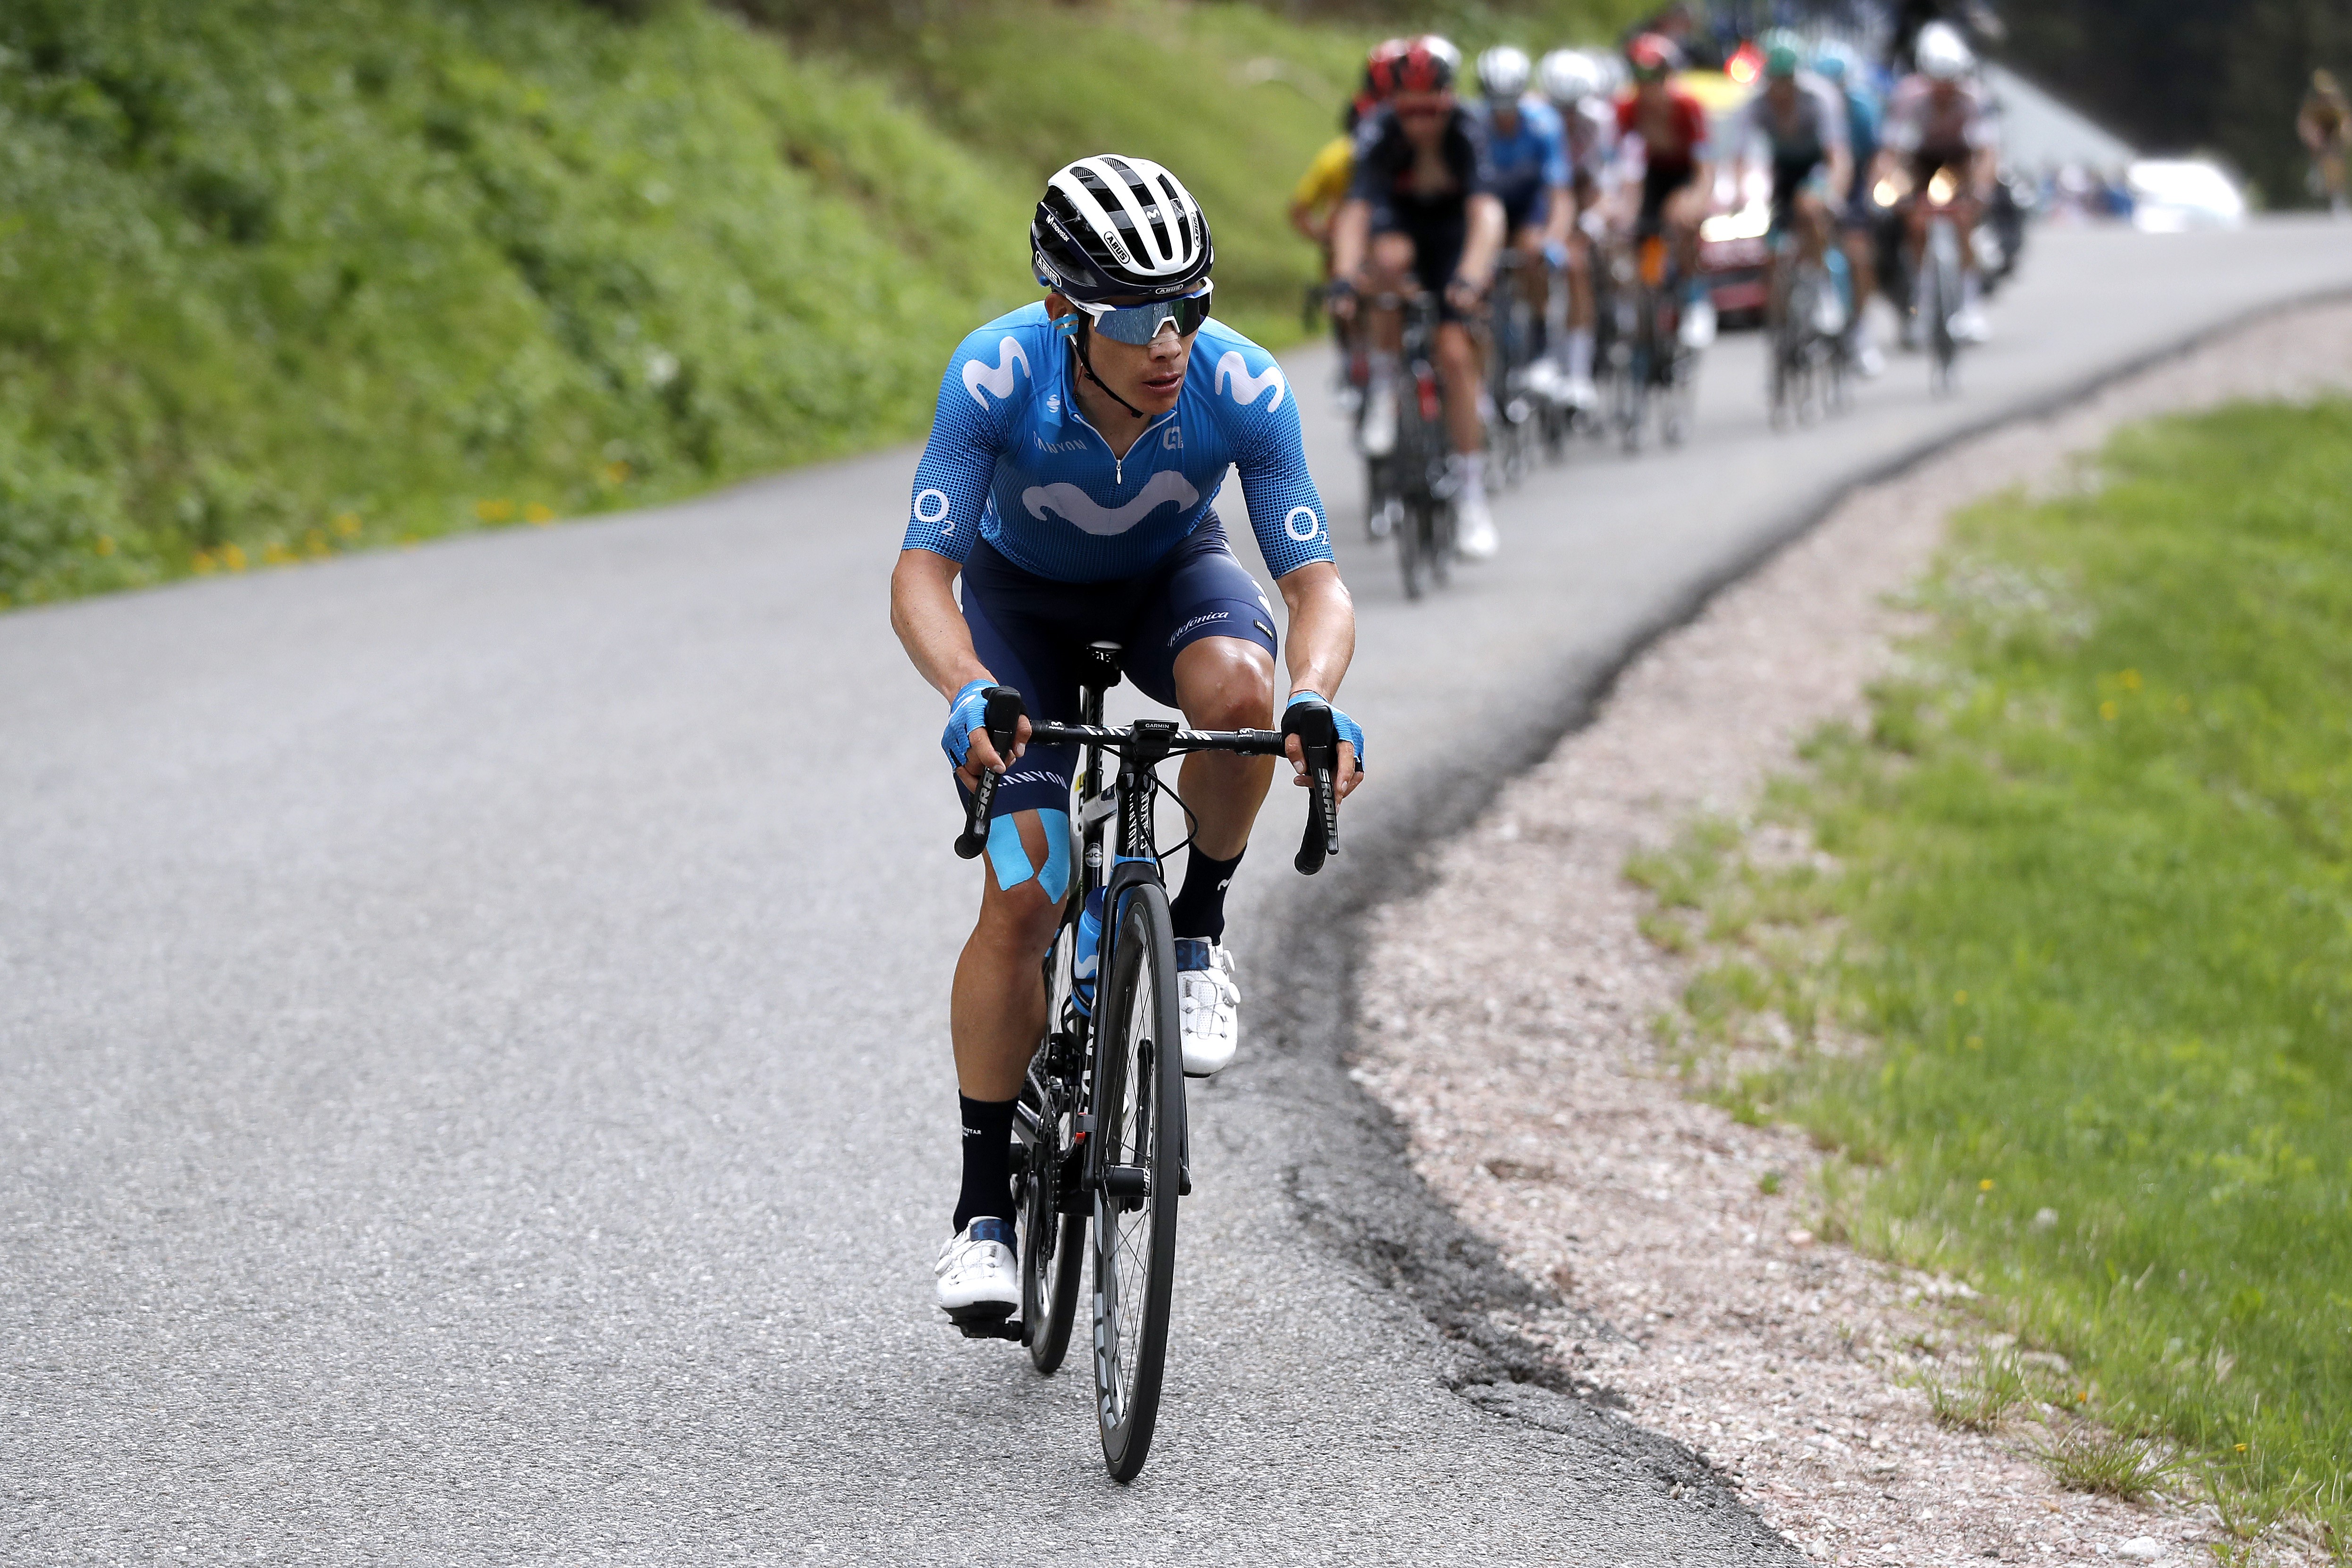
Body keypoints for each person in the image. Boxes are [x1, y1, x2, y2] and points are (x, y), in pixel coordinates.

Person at [895, 155, 1366, 1325]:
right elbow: (923, 572)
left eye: (1192, 309)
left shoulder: (1241, 385)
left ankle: (1197, 928)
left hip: (1170, 583)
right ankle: (983, 1213)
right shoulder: (997, 371)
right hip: (1024, 612)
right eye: (1142, 319)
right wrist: (965, 688)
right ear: (1066, 310)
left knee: (1244, 694)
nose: (1172, 345)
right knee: (1027, 890)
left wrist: (1314, 693)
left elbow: (1316, 581)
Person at [1330, 36, 1508, 561]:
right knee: (1386, 262)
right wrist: (1343, 275)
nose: (1421, 124)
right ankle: (1385, 385)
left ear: (1449, 100)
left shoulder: (1467, 129)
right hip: (1401, 227)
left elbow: (1487, 214)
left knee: (1454, 355)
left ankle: (1473, 497)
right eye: (1410, 111)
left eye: (1432, 110)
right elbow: (1355, 210)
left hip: (1452, 235)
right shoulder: (1379, 130)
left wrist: (1473, 274)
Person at [1876, 20, 1998, 344]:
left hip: (1958, 161)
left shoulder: (1973, 97)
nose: (1945, 90)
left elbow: (1986, 152)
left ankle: (1971, 307)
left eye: (1952, 82)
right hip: (1922, 161)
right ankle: (1922, 304)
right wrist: (1889, 186)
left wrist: (1982, 189)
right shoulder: (1908, 96)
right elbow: (1892, 152)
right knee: (1916, 225)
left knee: (1962, 221)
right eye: (1938, 82)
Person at [1469, 45, 1574, 402]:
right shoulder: (1473, 127)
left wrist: (1555, 239)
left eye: (1508, 100)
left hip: (1530, 205)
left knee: (1533, 251)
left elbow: (1559, 193)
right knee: (1476, 279)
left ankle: (1542, 347)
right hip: (1489, 207)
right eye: (1493, 100)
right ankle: (1482, 378)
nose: (1501, 110)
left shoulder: (1544, 124)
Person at [1730, 33, 1852, 338]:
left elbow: (1837, 156)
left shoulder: (1819, 97)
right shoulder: (1755, 104)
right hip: (1783, 171)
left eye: (1788, 80)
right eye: (1775, 80)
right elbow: (1740, 158)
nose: (1782, 89)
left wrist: (1833, 194)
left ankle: (1824, 289)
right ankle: (1780, 322)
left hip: (1816, 166)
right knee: (1771, 250)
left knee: (1809, 209)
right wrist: (1740, 197)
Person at [1614, 32, 1717, 350]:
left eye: (1655, 77)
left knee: (1680, 218)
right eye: (1640, 77)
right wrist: (1620, 207)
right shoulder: (1627, 109)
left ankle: (1695, 298)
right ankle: (1642, 299)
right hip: (1652, 174)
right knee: (1633, 233)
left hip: (1685, 173)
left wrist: (1698, 201)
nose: (1649, 87)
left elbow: (1705, 166)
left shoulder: (1688, 106)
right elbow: (1624, 163)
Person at [1538, 47, 1616, 409]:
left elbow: (1606, 185)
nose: (1566, 117)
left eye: (1574, 108)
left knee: (1578, 264)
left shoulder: (1600, 122)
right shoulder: (1535, 118)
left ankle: (1580, 372)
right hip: (1544, 197)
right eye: (1559, 107)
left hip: (1584, 192)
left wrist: (1593, 221)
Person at [1811, 37, 1887, 377]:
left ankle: (1859, 329)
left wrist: (1873, 195)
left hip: (1855, 179)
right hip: (1817, 176)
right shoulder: (1809, 107)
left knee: (1859, 253)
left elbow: (1878, 157)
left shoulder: (1863, 108)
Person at [2300, 68, 2351, 217]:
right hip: (2320, 138)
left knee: (2336, 166)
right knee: (2322, 165)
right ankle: (2319, 188)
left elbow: (2345, 122)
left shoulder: (2337, 103)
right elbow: (2306, 124)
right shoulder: (2312, 105)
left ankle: (2337, 197)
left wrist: (2342, 137)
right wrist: (2313, 138)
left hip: (2334, 138)